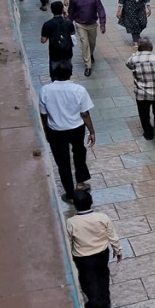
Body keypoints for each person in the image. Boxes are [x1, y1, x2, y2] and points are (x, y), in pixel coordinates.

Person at [39, 60, 95, 203]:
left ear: (54, 74)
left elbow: (43, 114)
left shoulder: (45, 90)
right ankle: (80, 182)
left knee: (62, 162)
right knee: (79, 153)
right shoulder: (79, 90)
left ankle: (70, 193)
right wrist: (91, 131)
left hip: (56, 130)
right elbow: (85, 114)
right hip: (76, 128)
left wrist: (45, 130)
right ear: (70, 73)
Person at [67, 190, 122, 308]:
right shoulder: (102, 217)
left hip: (83, 258)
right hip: (101, 254)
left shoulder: (71, 222)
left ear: (75, 205)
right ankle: (105, 302)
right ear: (91, 202)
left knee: (87, 279)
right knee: (103, 276)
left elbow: (69, 241)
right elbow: (112, 236)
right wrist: (118, 250)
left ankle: (94, 301)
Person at [125, 37, 155, 145]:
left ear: (138, 48)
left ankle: (148, 133)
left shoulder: (133, 59)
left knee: (144, 113)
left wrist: (136, 55)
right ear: (151, 47)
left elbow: (128, 64)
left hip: (141, 94)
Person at [67, 0, 106, 77]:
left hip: (92, 24)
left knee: (92, 43)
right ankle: (88, 66)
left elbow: (100, 9)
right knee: (85, 43)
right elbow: (70, 13)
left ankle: (90, 53)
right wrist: (69, 26)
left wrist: (102, 23)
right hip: (80, 24)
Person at [40, 1, 75, 80]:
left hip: (54, 53)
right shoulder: (68, 23)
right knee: (67, 74)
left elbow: (43, 40)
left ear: (52, 11)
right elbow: (72, 33)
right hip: (67, 52)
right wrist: (66, 17)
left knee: (54, 75)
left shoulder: (48, 24)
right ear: (62, 10)